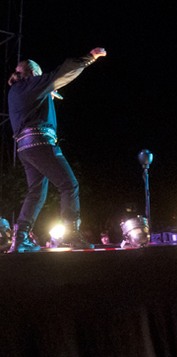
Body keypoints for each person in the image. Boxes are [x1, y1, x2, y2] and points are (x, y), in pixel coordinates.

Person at [7, 47, 107, 252]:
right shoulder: (31, 84)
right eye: (39, 75)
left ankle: (20, 239)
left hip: (25, 148)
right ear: (33, 73)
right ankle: (72, 235)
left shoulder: (16, 90)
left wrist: (45, 92)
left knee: (36, 192)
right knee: (69, 185)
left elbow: (34, 98)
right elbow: (60, 73)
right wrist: (89, 58)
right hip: (40, 143)